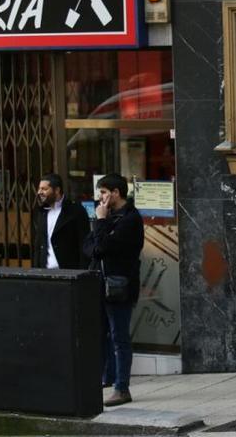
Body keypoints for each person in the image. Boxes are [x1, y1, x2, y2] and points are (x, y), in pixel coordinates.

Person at [83, 174, 144, 407]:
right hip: (100, 283)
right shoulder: (109, 217)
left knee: (119, 337)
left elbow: (102, 247)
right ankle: (106, 378)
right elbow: (89, 246)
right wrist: (100, 229)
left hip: (119, 286)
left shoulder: (130, 219)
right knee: (101, 333)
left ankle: (122, 387)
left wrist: (100, 222)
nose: (101, 198)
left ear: (116, 193)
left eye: (104, 193)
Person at [32, 173, 90, 270]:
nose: (39, 192)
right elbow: (39, 243)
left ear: (57, 190)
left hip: (69, 273)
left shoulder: (75, 211)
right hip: (45, 272)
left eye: (44, 189)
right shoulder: (42, 212)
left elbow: (84, 243)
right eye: (39, 188)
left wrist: (82, 272)